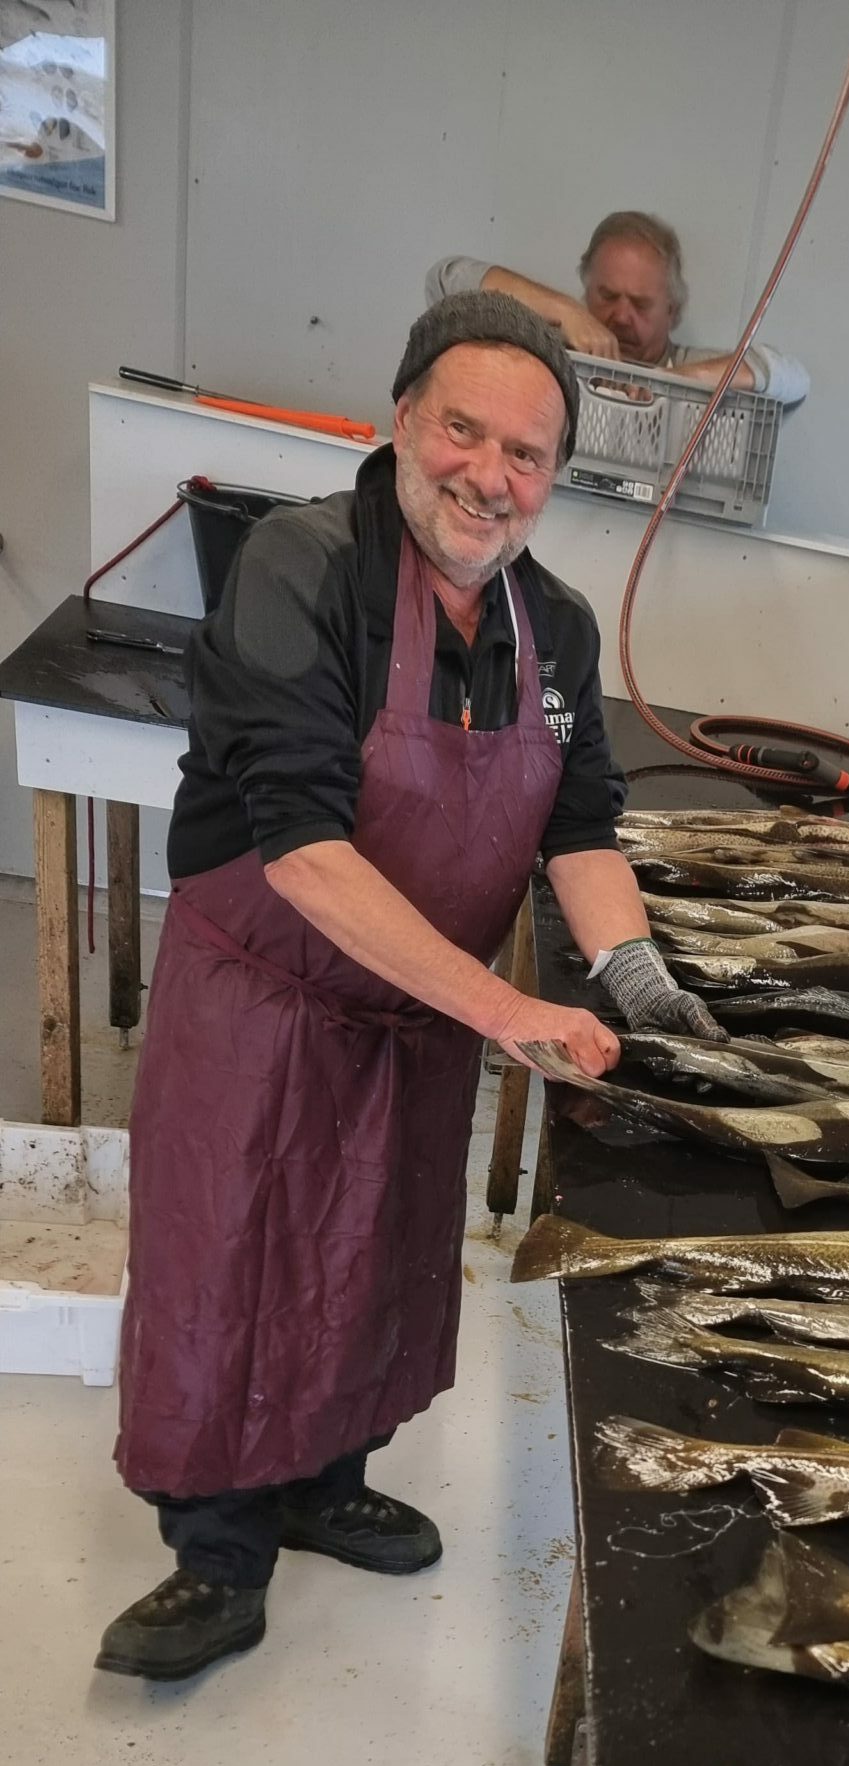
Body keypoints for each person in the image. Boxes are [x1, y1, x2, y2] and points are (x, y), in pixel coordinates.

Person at [97, 291, 723, 1684]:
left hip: (416, 1015)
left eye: (527, 455)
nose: (489, 476)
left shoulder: (556, 629)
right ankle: (216, 1557)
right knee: (231, 1261)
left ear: (555, 476)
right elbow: (305, 851)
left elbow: (579, 823)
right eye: (463, 431)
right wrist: (509, 1012)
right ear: (400, 421)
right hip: (265, 997)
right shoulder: (303, 568)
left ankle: (325, 1483)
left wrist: (635, 973)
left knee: (375, 1260)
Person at [426, 209, 810, 406]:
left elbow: (793, 378)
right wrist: (564, 312)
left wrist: (681, 382)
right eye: (607, 296)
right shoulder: (546, 352)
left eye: (641, 304)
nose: (622, 317)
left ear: (673, 310)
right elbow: (445, 279)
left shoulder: (689, 365)